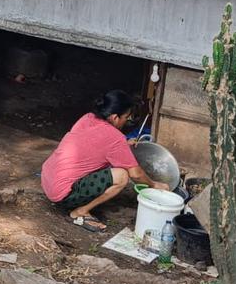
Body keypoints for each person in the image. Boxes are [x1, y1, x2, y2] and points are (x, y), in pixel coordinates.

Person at [40, 90, 169, 232]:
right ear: (114, 117)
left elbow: (93, 143)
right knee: (122, 176)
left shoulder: (87, 118)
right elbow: (136, 174)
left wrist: (124, 144)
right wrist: (154, 184)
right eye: (126, 117)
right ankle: (80, 211)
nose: (126, 121)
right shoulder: (115, 138)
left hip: (48, 179)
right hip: (62, 194)